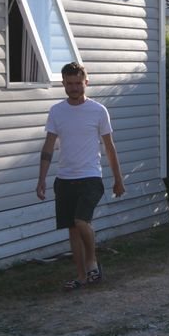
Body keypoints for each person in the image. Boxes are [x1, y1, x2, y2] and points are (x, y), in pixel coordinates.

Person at [36, 62, 125, 290]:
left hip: (90, 177)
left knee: (81, 221)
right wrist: (41, 179)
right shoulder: (56, 111)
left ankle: (92, 262)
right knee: (73, 230)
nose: (74, 88)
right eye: (70, 84)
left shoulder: (98, 111)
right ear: (63, 84)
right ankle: (82, 276)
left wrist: (118, 179)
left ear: (86, 82)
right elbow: (48, 146)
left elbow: (109, 147)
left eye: (78, 83)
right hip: (64, 179)